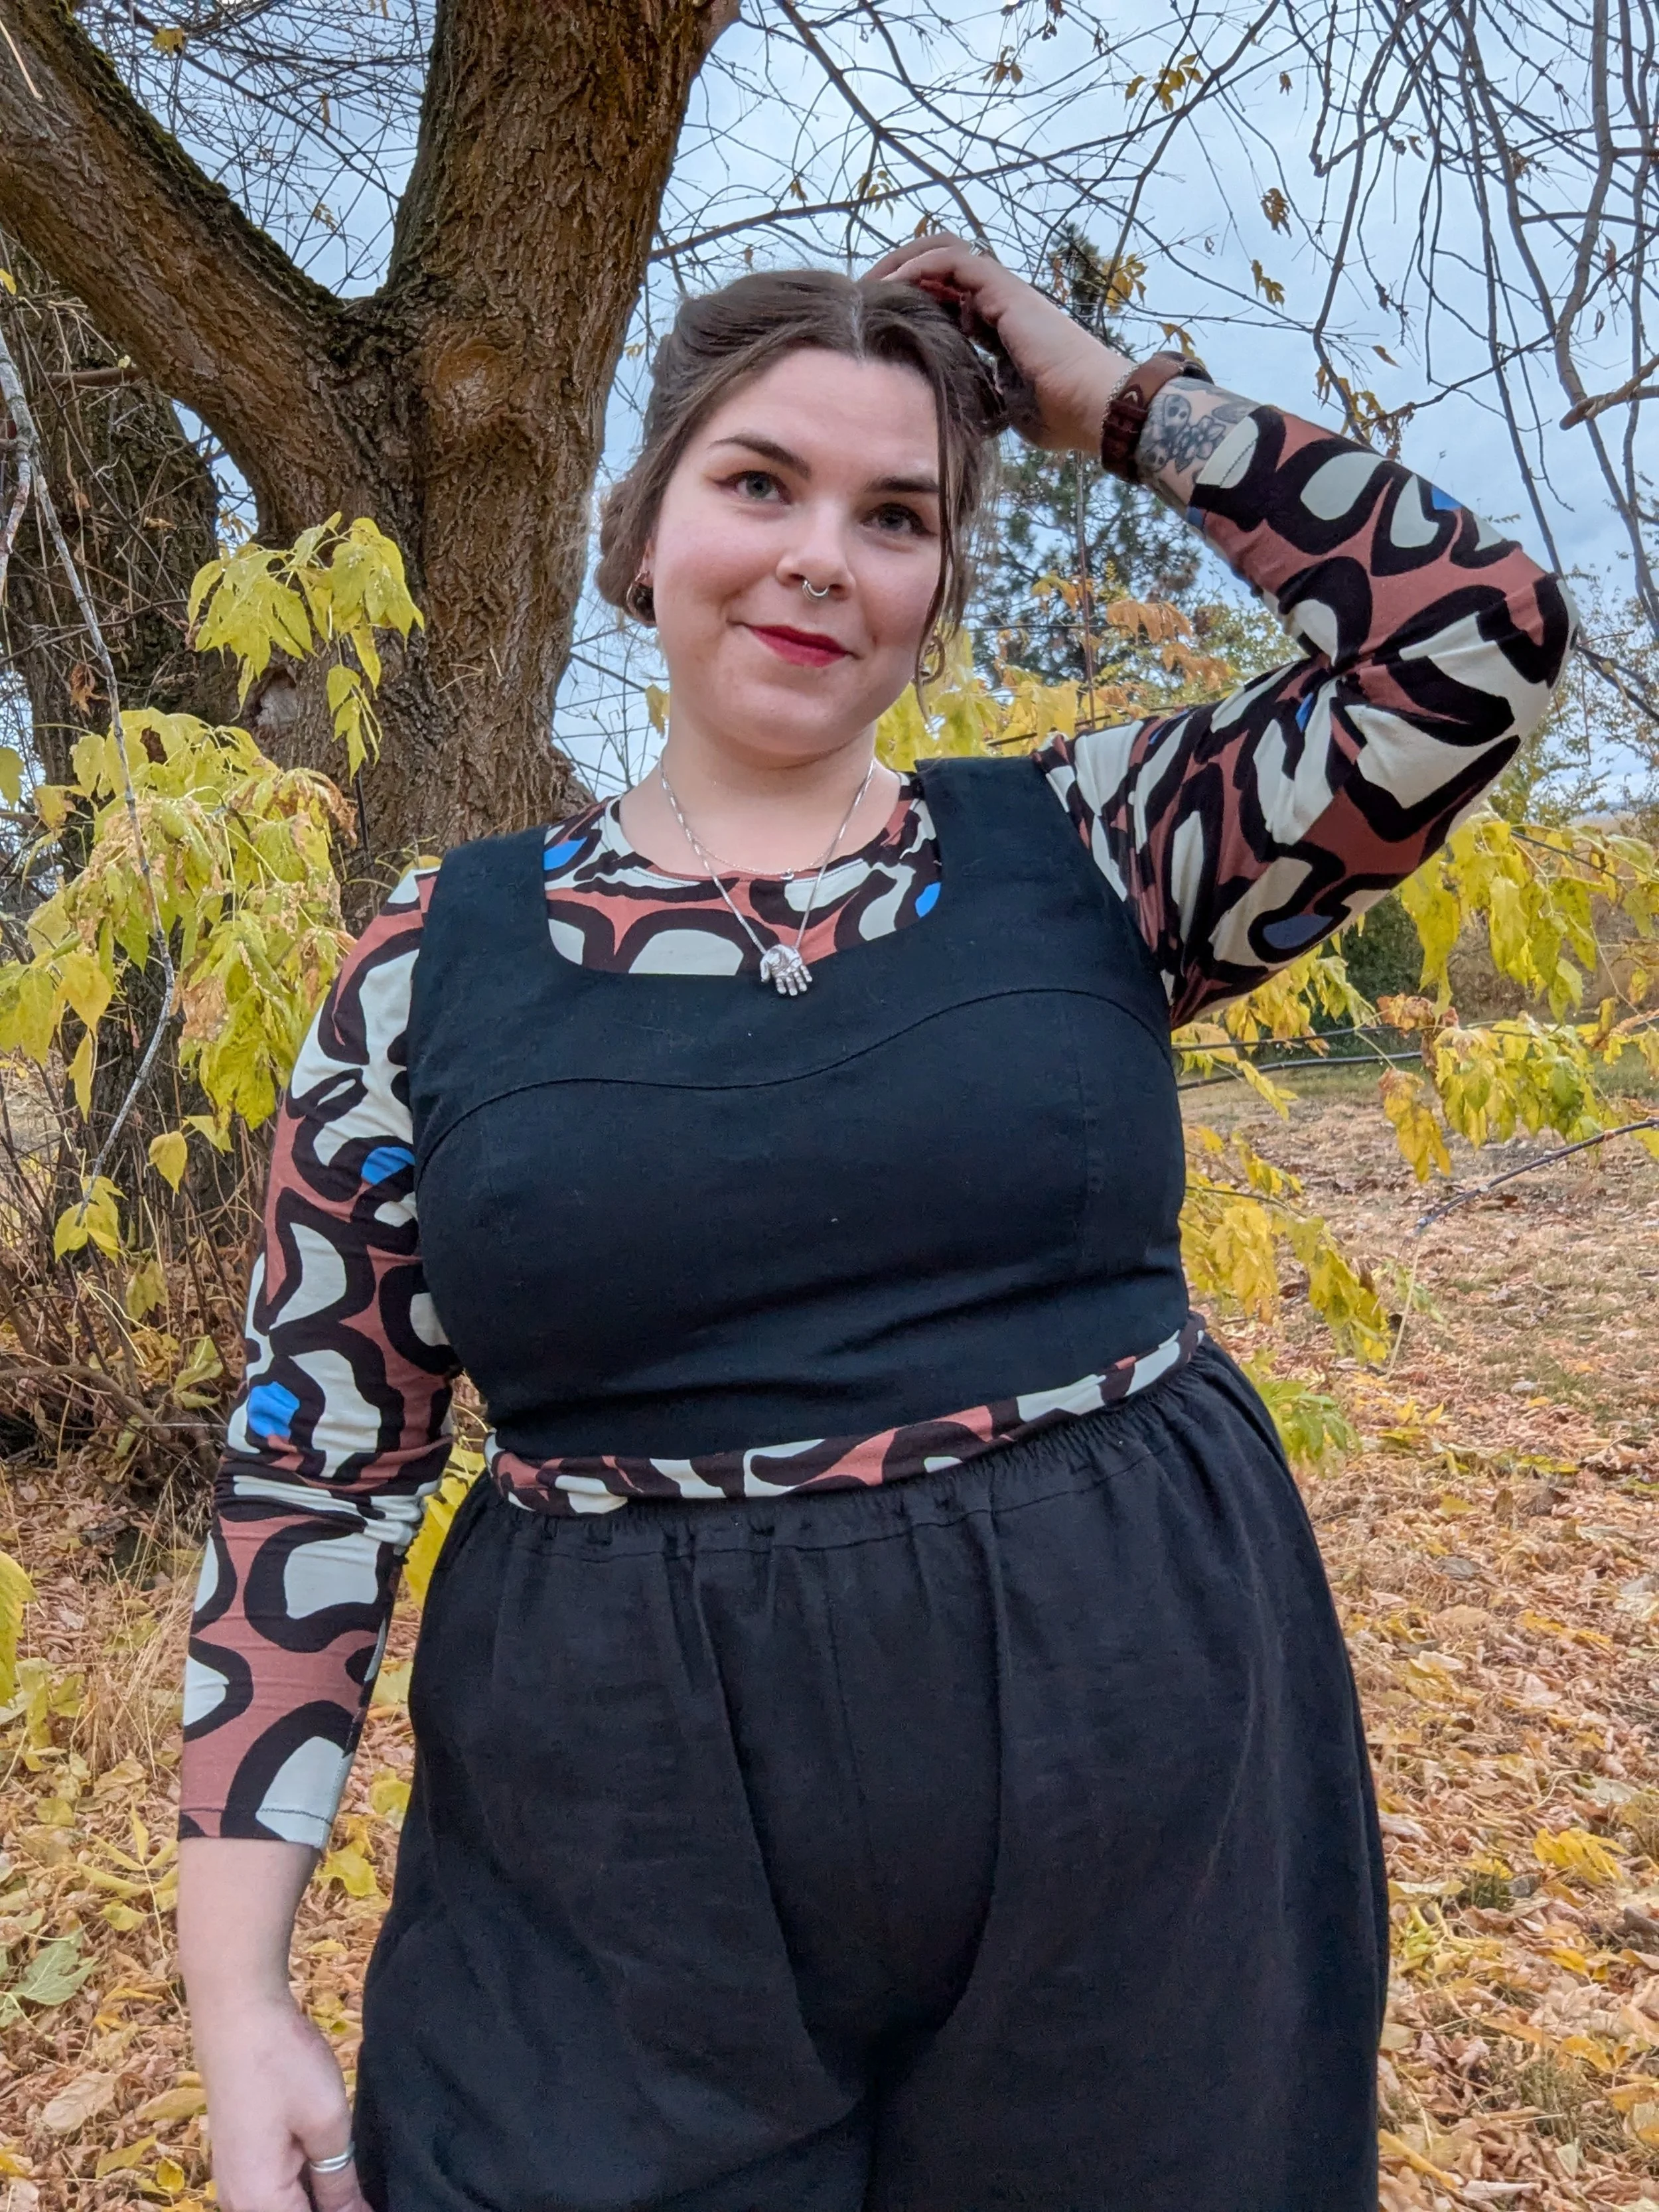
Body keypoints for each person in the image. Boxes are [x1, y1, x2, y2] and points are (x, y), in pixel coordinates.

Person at [177, 236, 1576, 2212]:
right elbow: (314, 1468)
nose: (823, 553)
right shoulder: (426, 970)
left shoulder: (1095, 851)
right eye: (759, 482)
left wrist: (1105, 397)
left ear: (934, 584)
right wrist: (239, 1998)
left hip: (1137, 1763)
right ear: (640, 525)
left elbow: (1475, 636)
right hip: (614, 1842)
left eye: (897, 513)